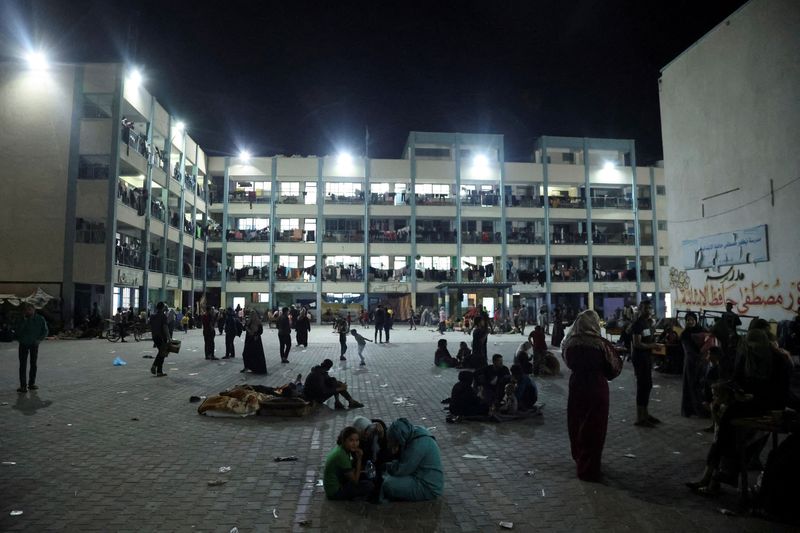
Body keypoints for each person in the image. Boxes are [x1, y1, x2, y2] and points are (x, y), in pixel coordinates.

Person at [686, 320, 793, 495]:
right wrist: (735, 392)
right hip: (746, 403)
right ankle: (712, 477)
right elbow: (738, 379)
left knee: (727, 432)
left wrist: (752, 396)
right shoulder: (747, 355)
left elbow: (780, 394)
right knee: (724, 434)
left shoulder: (778, 360)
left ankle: (715, 478)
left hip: (767, 406)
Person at [562, 309, 620, 482]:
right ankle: (590, 468)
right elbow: (614, 367)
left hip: (577, 385)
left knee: (577, 423)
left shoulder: (570, 342)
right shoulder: (601, 344)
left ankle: (580, 459)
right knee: (595, 427)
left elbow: (566, 360)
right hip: (596, 387)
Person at [382, 418, 444, 502]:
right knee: (387, 477)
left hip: (428, 487)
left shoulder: (417, 445)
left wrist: (386, 467)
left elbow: (402, 470)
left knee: (387, 484)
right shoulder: (415, 433)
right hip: (422, 477)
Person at [630, 300, 660, 427]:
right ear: (640, 310)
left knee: (648, 385)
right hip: (640, 358)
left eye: (650, 308)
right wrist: (652, 345)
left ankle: (646, 414)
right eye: (645, 308)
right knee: (642, 386)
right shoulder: (638, 324)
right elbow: (637, 343)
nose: (648, 310)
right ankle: (639, 417)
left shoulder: (648, 323)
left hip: (647, 357)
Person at [323, 426, 374, 501]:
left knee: (364, 475)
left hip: (335, 485)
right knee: (369, 485)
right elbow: (355, 481)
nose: (355, 444)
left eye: (357, 440)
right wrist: (359, 459)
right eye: (351, 440)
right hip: (334, 493)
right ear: (344, 441)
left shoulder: (341, 449)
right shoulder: (341, 455)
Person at [15, 303, 48, 393]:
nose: (28, 311)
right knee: (23, 365)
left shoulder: (40, 319)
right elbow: (17, 330)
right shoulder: (21, 319)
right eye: (26, 310)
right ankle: (23, 386)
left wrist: (39, 340)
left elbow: (45, 330)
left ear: (34, 310)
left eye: (29, 309)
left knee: (33, 364)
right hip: (23, 343)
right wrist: (24, 321)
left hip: (34, 344)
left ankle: (31, 384)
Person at [680, 312, 706, 417]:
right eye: (688, 320)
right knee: (690, 385)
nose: (690, 322)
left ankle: (701, 409)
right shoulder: (685, 334)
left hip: (702, 362)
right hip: (691, 362)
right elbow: (687, 349)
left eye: (692, 319)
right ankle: (691, 410)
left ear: (696, 320)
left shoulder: (702, 330)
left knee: (700, 386)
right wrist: (697, 357)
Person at [241, 310, 267, 374]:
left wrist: (255, 335)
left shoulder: (257, 322)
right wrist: (247, 327)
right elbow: (244, 328)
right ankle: (248, 367)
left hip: (255, 340)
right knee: (246, 354)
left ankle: (255, 368)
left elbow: (260, 331)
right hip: (250, 340)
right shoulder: (249, 322)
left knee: (254, 355)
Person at [149, 302, 171, 377]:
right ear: (162, 308)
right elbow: (165, 327)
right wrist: (169, 337)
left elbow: (151, 327)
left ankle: (159, 371)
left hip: (155, 336)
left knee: (162, 352)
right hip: (161, 337)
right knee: (162, 352)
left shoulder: (153, 316)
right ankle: (155, 366)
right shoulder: (163, 316)